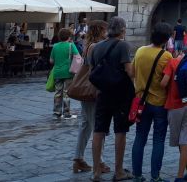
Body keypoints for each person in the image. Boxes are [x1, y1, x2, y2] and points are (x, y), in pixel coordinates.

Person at [88, 16, 135, 182]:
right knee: (120, 131)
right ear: (122, 30)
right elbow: (129, 71)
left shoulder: (96, 47)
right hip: (120, 94)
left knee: (98, 131)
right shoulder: (122, 45)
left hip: (102, 93)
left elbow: (92, 71)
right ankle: (119, 170)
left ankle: (96, 172)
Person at [131, 22, 174, 182]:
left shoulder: (140, 51)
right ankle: (155, 176)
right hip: (159, 102)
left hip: (141, 101)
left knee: (140, 138)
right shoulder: (166, 56)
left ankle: (137, 174)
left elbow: (133, 72)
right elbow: (168, 80)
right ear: (166, 39)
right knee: (158, 139)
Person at [73, 20, 110, 175]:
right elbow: (98, 69)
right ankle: (99, 162)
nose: (107, 33)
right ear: (100, 30)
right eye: (105, 30)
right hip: (93, 90)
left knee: (86, 125)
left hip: (86, 90)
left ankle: (78, 159)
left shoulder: (88, 45)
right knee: (98, 127)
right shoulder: (95, 47)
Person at [160, 47, 187, 182]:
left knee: (182, 143)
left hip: (175, 107)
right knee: (185, 141)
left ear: (180, 53)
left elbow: (164, 82)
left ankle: (178, 177)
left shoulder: (172, 62)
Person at [49, 28, 79, 120]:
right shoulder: (71, 45)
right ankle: (66, 113)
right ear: (69, 37)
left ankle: (57, 112)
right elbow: (77, 57)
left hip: (57, 73)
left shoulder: (55, 46)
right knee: (66, 93)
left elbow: (51, 60)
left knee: (58, 93)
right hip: (68, 72)